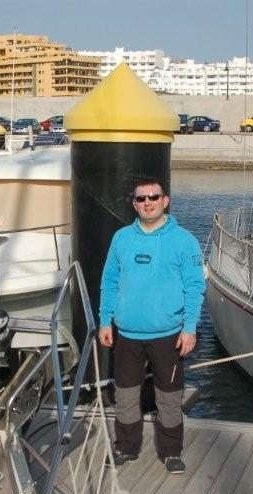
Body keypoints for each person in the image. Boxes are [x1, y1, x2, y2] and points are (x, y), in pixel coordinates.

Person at [98, 179, 205, 474]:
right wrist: (105, 320)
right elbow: (109, 281)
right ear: (135, 204)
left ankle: (171, 452)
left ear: (165, 201)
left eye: (153, 197)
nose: (148, 203)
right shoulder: (121, 238)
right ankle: (126, 447)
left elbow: (195, 287)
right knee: (125, 395)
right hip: (127, 335)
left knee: (169, 398)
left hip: (168, 335)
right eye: (141, 198)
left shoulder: (184, 241)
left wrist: (190, 327)